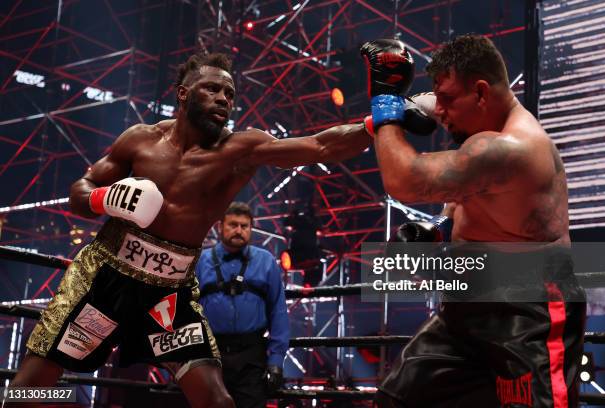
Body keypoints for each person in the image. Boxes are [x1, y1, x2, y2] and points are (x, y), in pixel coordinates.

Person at [9, 52, 373, 408]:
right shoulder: (140, 140)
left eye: (229, 94)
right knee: (32, 386)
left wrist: (379, 123)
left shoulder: (240, 149)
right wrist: (105, 198)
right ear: (183, 93)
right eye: (212, 89)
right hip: (106, 279)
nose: (223, 99)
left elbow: (321, 146)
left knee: (215, 399)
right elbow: (79, 191)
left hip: (169, 295)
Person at [361, 36, 586, 407]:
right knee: (398, 398)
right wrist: (439, 229)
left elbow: (405, 180)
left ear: (481, 92)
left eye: (450, 100)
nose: (442, 113)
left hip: (527, 308)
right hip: (466, 306)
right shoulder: (480, 127)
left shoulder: (511, 148)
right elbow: (435, 109)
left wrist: (385, 100)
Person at [196, 202, 289, 408]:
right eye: (233, 224)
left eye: (244, 226)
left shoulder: (266, 261)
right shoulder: (201, 261)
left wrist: (276, 361)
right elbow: (186, 309)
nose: (239, 230)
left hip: (251, 357)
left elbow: (279, 311)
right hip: (208, 354)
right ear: (221, 227)